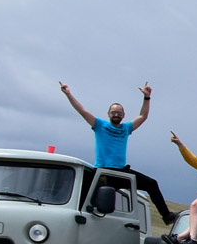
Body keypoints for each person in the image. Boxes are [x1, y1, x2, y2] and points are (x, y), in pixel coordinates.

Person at [59, 80, 174, 227]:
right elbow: (82, 110)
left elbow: (143, 116)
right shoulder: (99, 125)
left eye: (119, 113)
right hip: (103, 173)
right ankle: (76, 219)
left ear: (123, 115)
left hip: (121, 173)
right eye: (113, 112)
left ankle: (167, 216)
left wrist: (147, 97)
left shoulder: (126, 128)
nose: (116, 115)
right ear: (108, 114)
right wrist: (68, 93)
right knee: (85, 196)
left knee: (151, 184)